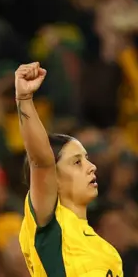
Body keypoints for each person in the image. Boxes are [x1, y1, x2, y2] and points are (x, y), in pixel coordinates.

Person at [16, 62, 123, 276]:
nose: (92, 167)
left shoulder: (106, 250)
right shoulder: (50, 226)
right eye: (77, 162)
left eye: (87, 159)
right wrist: (25, 100)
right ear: (53, 179)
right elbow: (41, 161)